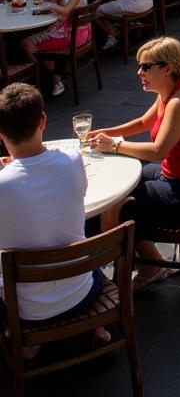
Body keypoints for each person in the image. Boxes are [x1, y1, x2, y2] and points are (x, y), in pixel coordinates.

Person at [87, 37, 180, 290]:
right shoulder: (168, 93)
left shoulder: (179, 101)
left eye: (146, 66)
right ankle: (145, 259)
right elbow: (143, 123)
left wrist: (114, 145)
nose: (139, 71)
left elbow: (157, 150)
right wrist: (105, 132)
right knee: (123, 181)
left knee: (121, 205)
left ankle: (141, 264)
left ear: (168, 68)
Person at [0, 83, 110, 339]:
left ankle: (23, 343)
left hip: (24, 310)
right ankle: (96, 327)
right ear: (43, 121)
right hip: (82, 292)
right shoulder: (72, 161)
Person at [21, 0, 90, 98]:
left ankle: (50, 79)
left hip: (73, 35)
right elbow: (60, 12)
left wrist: (51, 4)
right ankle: (48, 77)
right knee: (30, 41)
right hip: (74, 31)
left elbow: (64, 11)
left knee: (27, 44)